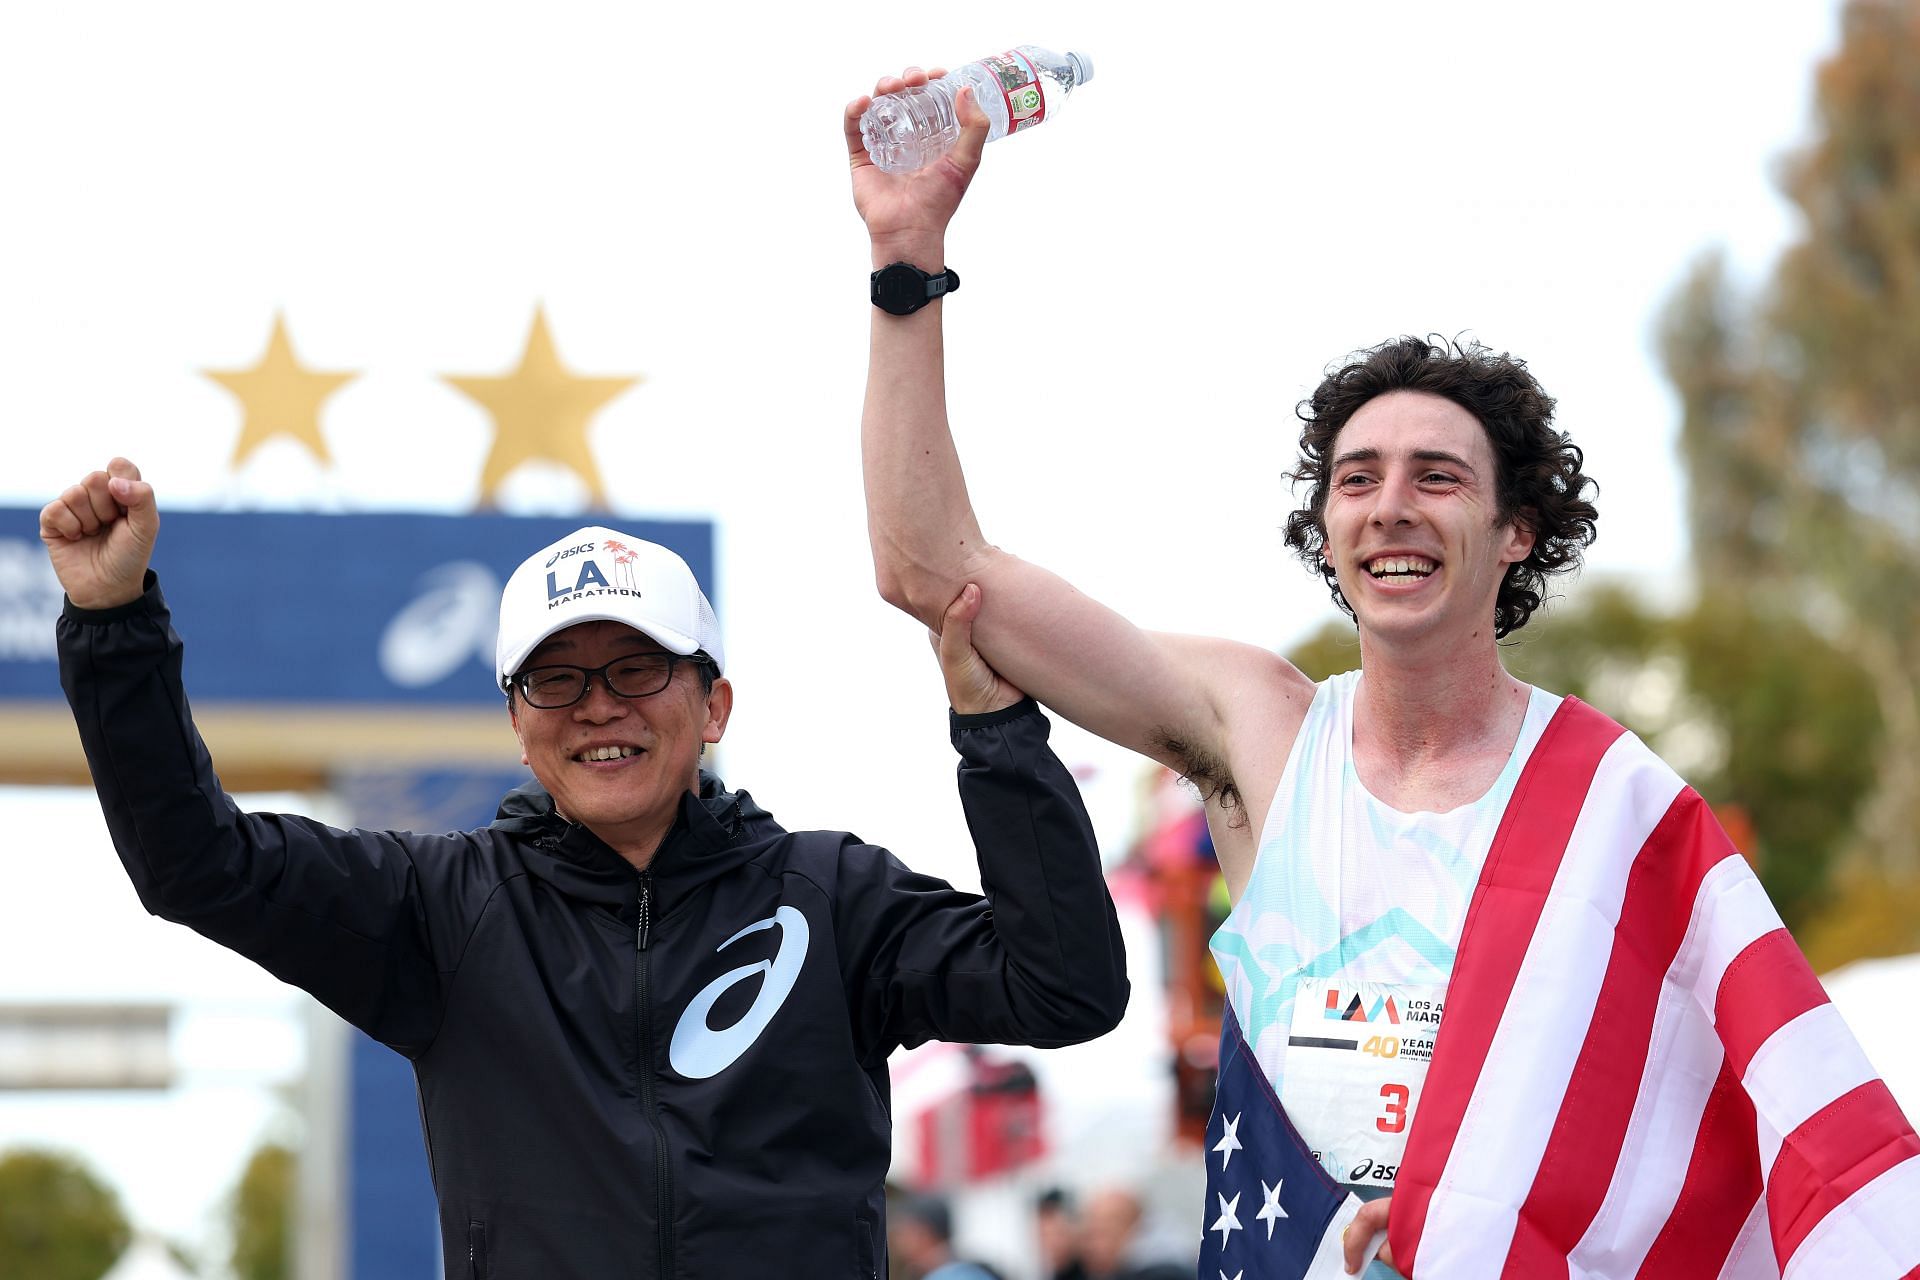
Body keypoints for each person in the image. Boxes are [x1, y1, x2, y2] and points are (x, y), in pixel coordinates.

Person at [844, 70, 1920, 1279]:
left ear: (1518, 529)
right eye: (1356, 479)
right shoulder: (1257, 730)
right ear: (1326, 526)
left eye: (1437, 475)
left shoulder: (1609, 803)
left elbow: (1749, 1119)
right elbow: (931, 567)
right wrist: (906, 260)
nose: (1390, 507)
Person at [42, 459, 1128, 1279]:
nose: (599, 703)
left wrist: (996, 734)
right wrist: (111, 621)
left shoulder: (832, 895)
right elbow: (196, 863)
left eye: (636, 665)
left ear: (714, 704)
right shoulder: (439, 907)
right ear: (518, 724)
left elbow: (1066, 984)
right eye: (556, 679)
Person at [888, 1192, 1001, 1280]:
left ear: (922, 1234)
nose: (898, 1239)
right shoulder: (965, 1271)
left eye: (903, 1230)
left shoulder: (954, 1276)